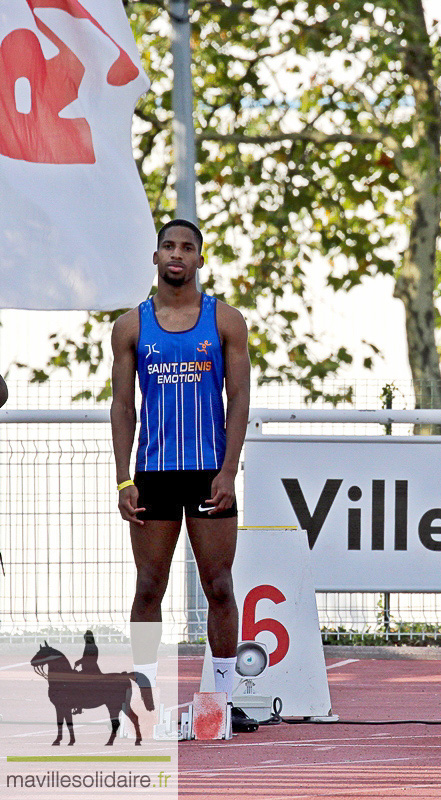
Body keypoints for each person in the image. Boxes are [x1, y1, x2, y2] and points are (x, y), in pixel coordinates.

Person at [109, 219, 256, 732]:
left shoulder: (226, 321)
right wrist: (124, 479)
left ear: (200, 258)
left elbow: (238, 400)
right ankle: (145, 701)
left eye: (186, 247)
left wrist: (228, 471)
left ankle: (223, 697)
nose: (177, 254)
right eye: (168, 246)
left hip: (208, 474)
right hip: (153, 475)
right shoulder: (130, 327)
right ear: (155, 258)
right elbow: (122, 406)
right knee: (149, 586)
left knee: (219, 585)